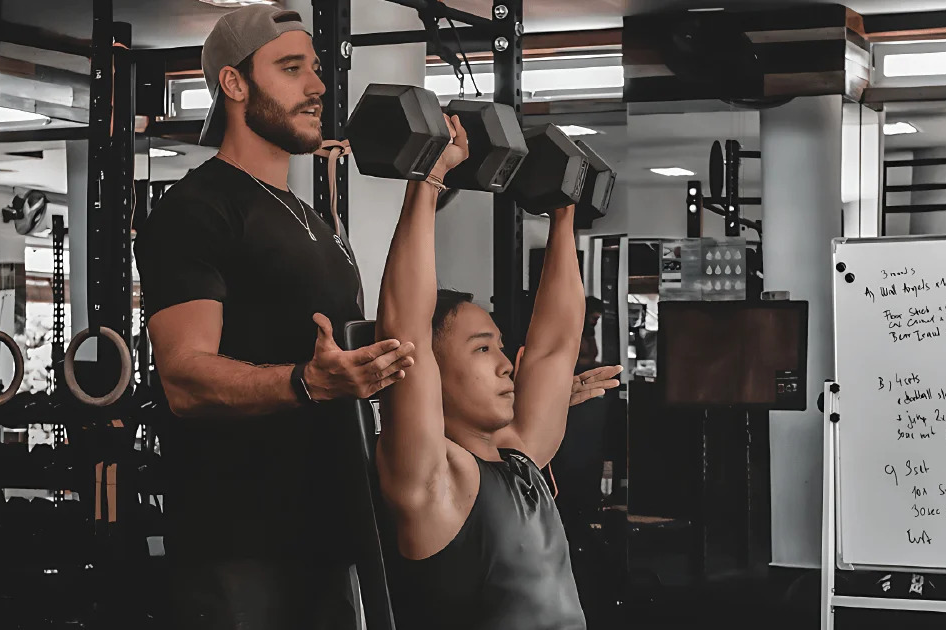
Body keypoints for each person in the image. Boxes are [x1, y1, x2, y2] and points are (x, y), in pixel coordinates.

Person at [134, 6, 416, 629]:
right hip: (237, 545)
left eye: (314, 70)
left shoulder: (312, 220)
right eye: (291, 69)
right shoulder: (195, 211)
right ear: (234, 84)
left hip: (332, 531)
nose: (316, 87)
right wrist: (306, 383)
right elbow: (183, 379)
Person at [372, 116, 622, 629]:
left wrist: (562, 215)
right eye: (483, 349)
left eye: (501, 347)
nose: (508, 364)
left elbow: (556, 345)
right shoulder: (435, 481)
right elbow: (407, 330)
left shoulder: (524, 456)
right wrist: (429, 181)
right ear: (432, 373)